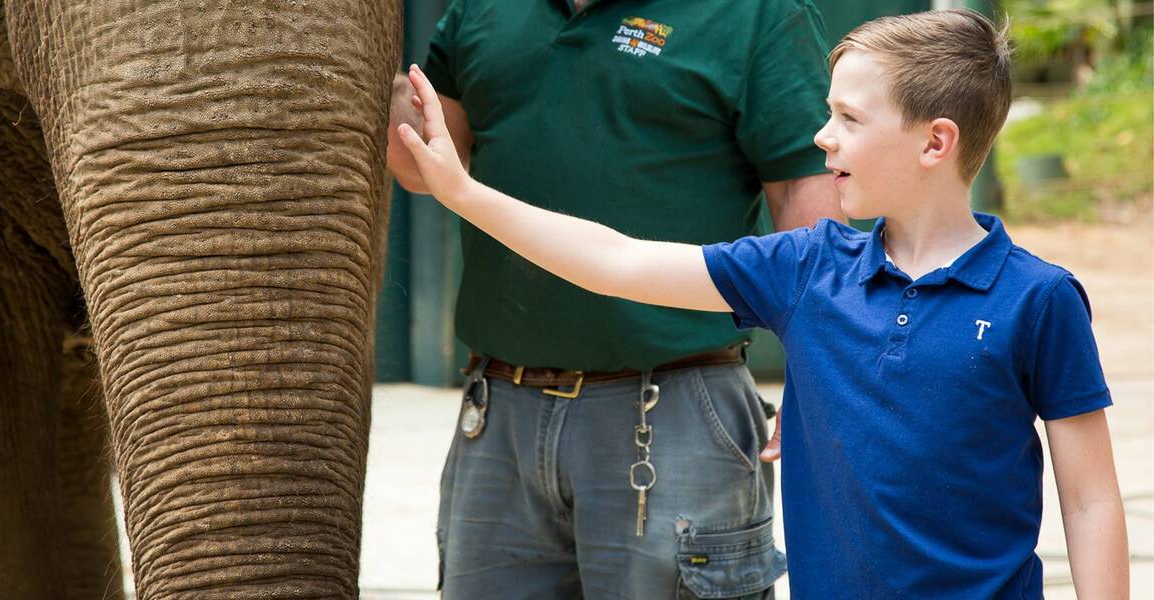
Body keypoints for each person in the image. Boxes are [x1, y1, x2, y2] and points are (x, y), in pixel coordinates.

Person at [395, 8, 1130, 599]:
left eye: (847, 119)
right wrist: (464, 193)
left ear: (935, 143)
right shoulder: (805, 269)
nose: (820, 136)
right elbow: (616, 262)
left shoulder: (1040, 300)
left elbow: (1092, 502)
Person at [386, 1, 844, 597]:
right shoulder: (482, 6)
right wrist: (369, 79)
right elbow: (427, 164)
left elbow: (806, 209)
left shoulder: (758, 11)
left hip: (677, 409)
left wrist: (821, 372)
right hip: (500, 416)